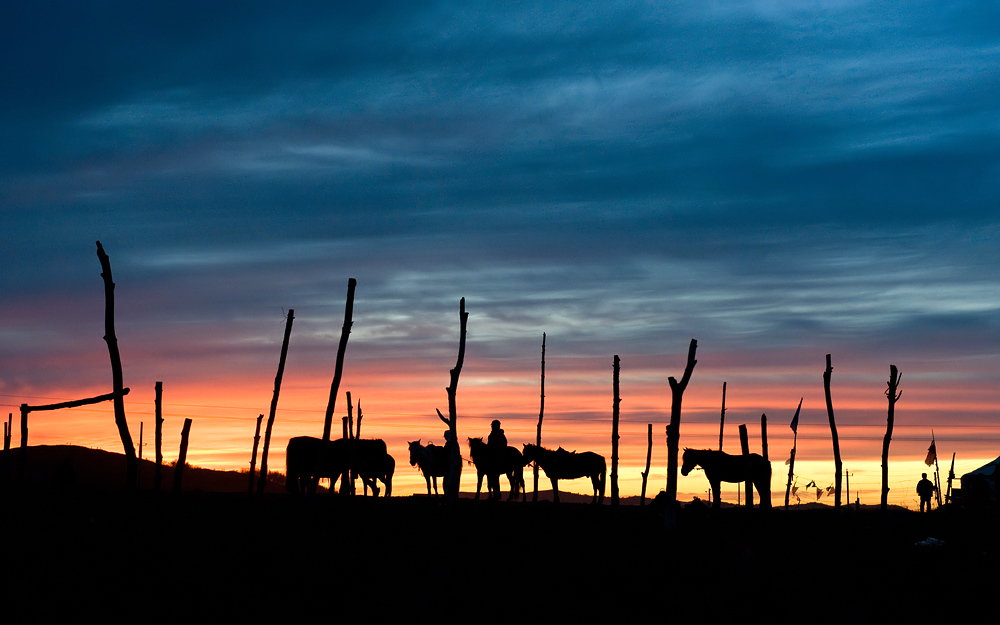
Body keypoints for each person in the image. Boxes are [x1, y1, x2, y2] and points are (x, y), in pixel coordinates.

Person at [486, 419, 507, 501]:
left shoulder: (496, 435)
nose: (492, 427)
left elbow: (492, 446)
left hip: (496, 458)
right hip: (496, 456)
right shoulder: (497, 435)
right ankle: (495, 494)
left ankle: (496, 495)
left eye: (493, 426)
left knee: (494, 476)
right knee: (494, 477)